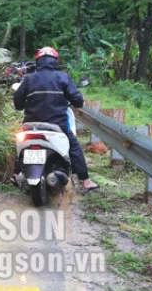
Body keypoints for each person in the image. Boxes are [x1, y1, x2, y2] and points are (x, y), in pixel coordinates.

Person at [12, 47, 99, 192]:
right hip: (56, 124)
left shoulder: (29, 79)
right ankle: (85, 181)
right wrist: (77, 102)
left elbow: (17, 103)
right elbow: (77, 100)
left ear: (38, 61)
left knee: (21, 146)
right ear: (55, 61)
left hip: (30, 125)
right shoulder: (62, 77)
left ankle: (15, 174)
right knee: (73, 145)